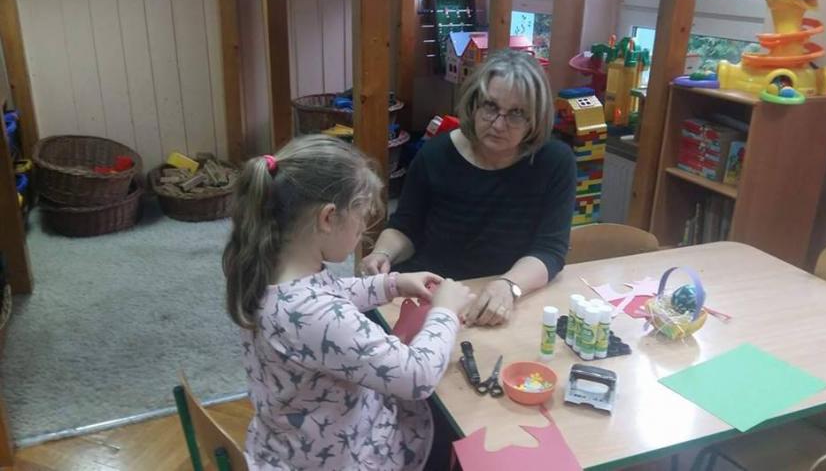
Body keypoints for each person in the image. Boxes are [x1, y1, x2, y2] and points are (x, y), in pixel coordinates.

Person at [222, 135, 474, 470]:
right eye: (362, 217)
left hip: (287, 443)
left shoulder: (269, 268)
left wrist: (393, 283)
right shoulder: (320, 315)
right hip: (341, 458)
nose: (364, 231)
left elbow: (333, 291)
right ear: (328, 218)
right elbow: (418, 376)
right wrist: (445, 311)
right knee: (457, 427)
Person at [362, 49, 577, 327]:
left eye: (516, 114)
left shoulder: (555, 162)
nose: (498, 124)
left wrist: (509, 285)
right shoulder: (436, 153)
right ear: (474, 104)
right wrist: (383, 253)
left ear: (535, 119)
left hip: (501, 292)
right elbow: (405, 227)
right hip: (432, 290)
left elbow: (550, 250)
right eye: (490, 106)